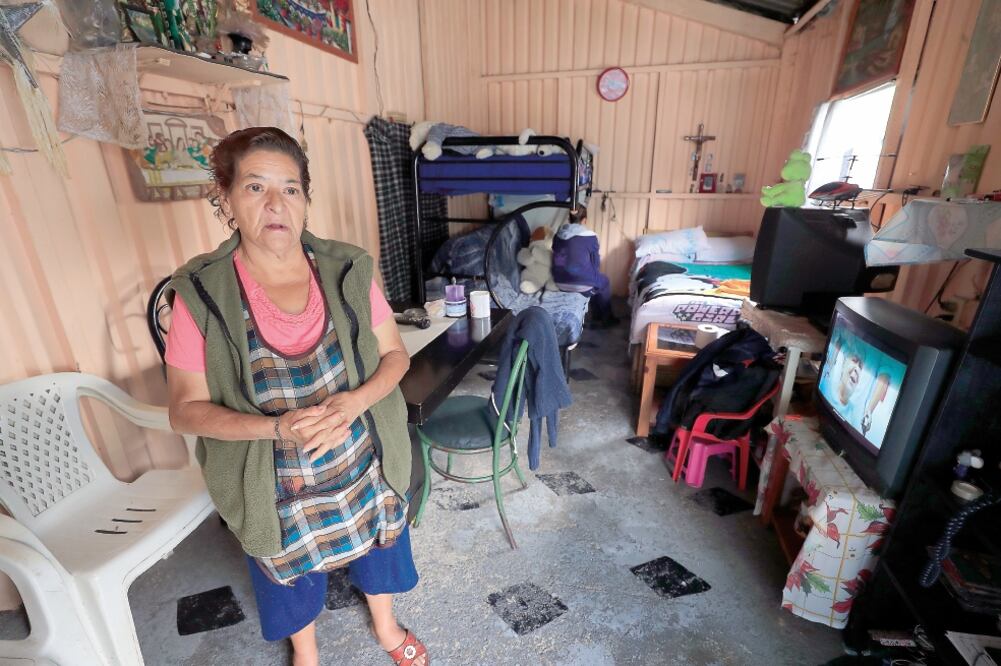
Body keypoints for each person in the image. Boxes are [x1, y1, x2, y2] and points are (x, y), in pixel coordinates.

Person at [165, 127, 427, 666]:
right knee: (284, 567)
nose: (276, 204)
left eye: (290, 189)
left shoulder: (347, 268)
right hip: (272, 472)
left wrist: (354, 404)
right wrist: (277, 429)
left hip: (361, 449)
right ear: (227, 197)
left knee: (382, 537)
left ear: (306, 199)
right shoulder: (200, 296)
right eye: (256, 187)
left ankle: (384, 624)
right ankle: (305, 652)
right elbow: (184, 411)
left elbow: (395, 356)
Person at [550, 208, 619, 327]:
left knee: (596, 281)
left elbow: (557, 256)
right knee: (603, 281)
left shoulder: (558, 235)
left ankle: (597, 315)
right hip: (581, 285)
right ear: (585, 220)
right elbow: (595, 264)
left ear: (569, 219)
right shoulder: (590, 237)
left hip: (559, 281)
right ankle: (606, 318)